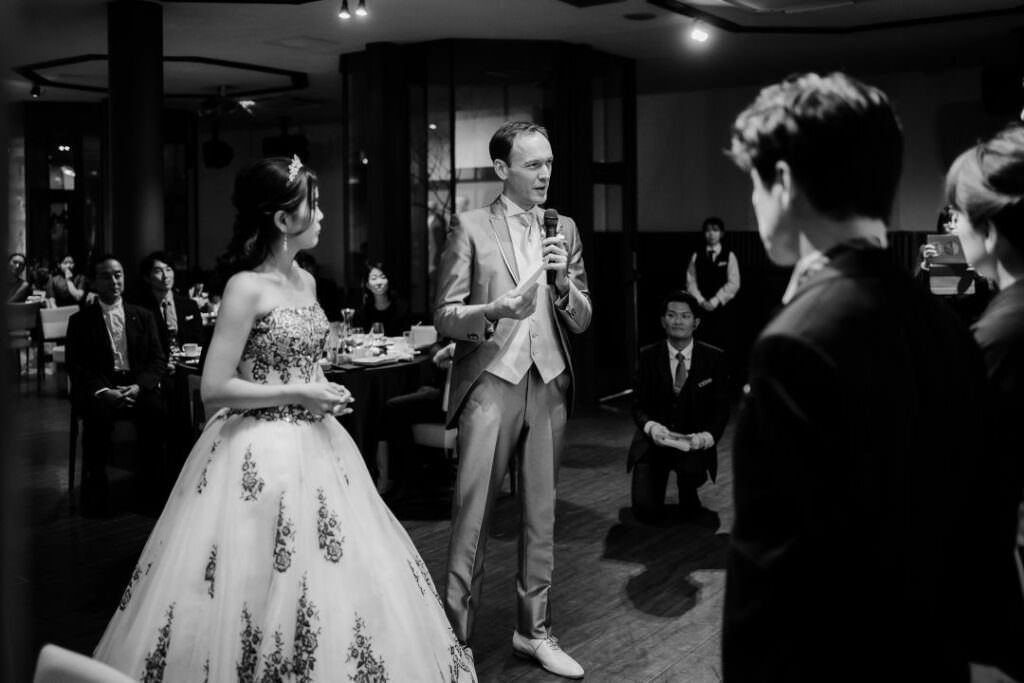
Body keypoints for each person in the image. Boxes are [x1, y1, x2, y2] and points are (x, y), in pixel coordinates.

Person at [92, 156, 476, 682]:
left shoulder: (309, 282)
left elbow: (306, 359)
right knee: (251, 583)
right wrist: (300, 390)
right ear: (280, 220)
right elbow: (214, 387)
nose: (321, 216)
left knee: (332, 580)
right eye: (312, 205)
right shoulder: (244, 287)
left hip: (318, 445)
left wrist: (322, 385)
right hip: (257, 449)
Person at [721, 72, 1013, 682]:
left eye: (753, 182)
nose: (752, 202)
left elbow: (772, 572)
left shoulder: (796, 342)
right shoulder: (947, 326)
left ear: (782, 181)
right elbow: (980, 528)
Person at [435, 120, 592, 679]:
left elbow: (583, 316)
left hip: (548, 382)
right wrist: (493, 312)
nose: (545, 173)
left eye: (549, 163)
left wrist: (562, 285)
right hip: (491, 384)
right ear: (502, 169)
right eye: (533, 164)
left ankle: (534, 631)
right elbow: (445, 315)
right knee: (473, 518)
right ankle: (455, 641)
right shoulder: (470, 227)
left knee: (541, 518)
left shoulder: (564, 229)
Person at [945, 123, 1024, 682]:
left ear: (991, 229)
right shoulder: (945, 262)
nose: (948, 226)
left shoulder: (1005, 334)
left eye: (956, 215)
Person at [65, 255, 168, 518]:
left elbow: (158, 359)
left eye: (118, 274)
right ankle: (95, 494)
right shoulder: (80, 321)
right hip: (101, 386)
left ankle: (151, 491)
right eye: (106, 276)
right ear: (93, 281)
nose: (114, 281)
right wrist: (104, 392)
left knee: (157, 412)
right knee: (97, 419)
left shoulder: (143, 315)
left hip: (136, 384)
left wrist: (139, 387)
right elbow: (76, 366)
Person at [627, 290, 730, 524]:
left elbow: (721, 408)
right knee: (645, 511)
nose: (678, 321)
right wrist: (652, 428)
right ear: (663, 321)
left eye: (685, 316)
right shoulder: (648, 356)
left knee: (691, 475)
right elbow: (637, 405)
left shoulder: (715, 358)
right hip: (655, 442)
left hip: (692, 443)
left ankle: (688, 486)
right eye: (672, 315)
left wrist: (705, 438)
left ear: (696, 322)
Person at [379, 339, 455, 502]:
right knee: (419, 390)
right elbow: (439, 343)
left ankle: (406, 481)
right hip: (445, 390)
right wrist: (438, 353)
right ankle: (428, 471)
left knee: (393, 407)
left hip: (456, 400)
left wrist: (449, 353)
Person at [916, 204, 993, 325]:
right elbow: (916, 293)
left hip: (969, 318)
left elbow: (987, 296)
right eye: (947, 221)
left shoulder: (978, 250)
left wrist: (977, 273)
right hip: (938, 318)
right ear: (941, 226)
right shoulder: (927, 250)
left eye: (956, 221)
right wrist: (925, 266)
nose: (951, 226)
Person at [134, 251, 205, 359]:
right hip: (158, 367)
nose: (165, 276)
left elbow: (200, 340)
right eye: (158, 271)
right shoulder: (141, 308)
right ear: (147, 277)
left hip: (188, 365)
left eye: (168, 269)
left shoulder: (189, 305)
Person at [685, 216, 740, 353]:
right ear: (704, 234)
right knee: (702, 343)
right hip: (701, 308)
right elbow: (690, 281)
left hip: (723, 308)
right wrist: (701, 301)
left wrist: (715, 301)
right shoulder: (696, 255)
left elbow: (734, 283)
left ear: (721, 234)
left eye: (715, 230)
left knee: (723, 342)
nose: (711, 234)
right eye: (708, 230)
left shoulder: (729, 255)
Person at [352, 260, 411, 337]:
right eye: (374, 278)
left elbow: (406, 337)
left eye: (383, 277)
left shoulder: (402, 309)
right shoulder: (362, 313)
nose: (379, 282)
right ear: (367, 285)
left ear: (389, 281)